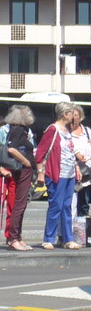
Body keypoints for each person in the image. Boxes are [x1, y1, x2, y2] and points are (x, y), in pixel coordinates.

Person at [34, 102, 82, 250]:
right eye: (71, 113)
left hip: (69, 174)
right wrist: (40, 173)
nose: (73, 116)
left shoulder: (67, 130)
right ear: (64, 114)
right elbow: (40, 152)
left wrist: (76, 168)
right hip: (56, 173)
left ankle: (68, 239)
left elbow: (70, 152)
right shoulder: (52, 130)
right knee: (56, 206)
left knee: (67, 207)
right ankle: (48, 238)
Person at [2, 105, 35, 251]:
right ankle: (13, 238)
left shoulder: (18, 130)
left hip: (23, 170)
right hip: (22, 170)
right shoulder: (19, 130)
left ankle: (17, 237)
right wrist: (26, 162)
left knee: (21, 204)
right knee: (19, 204)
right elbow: (11, 149)